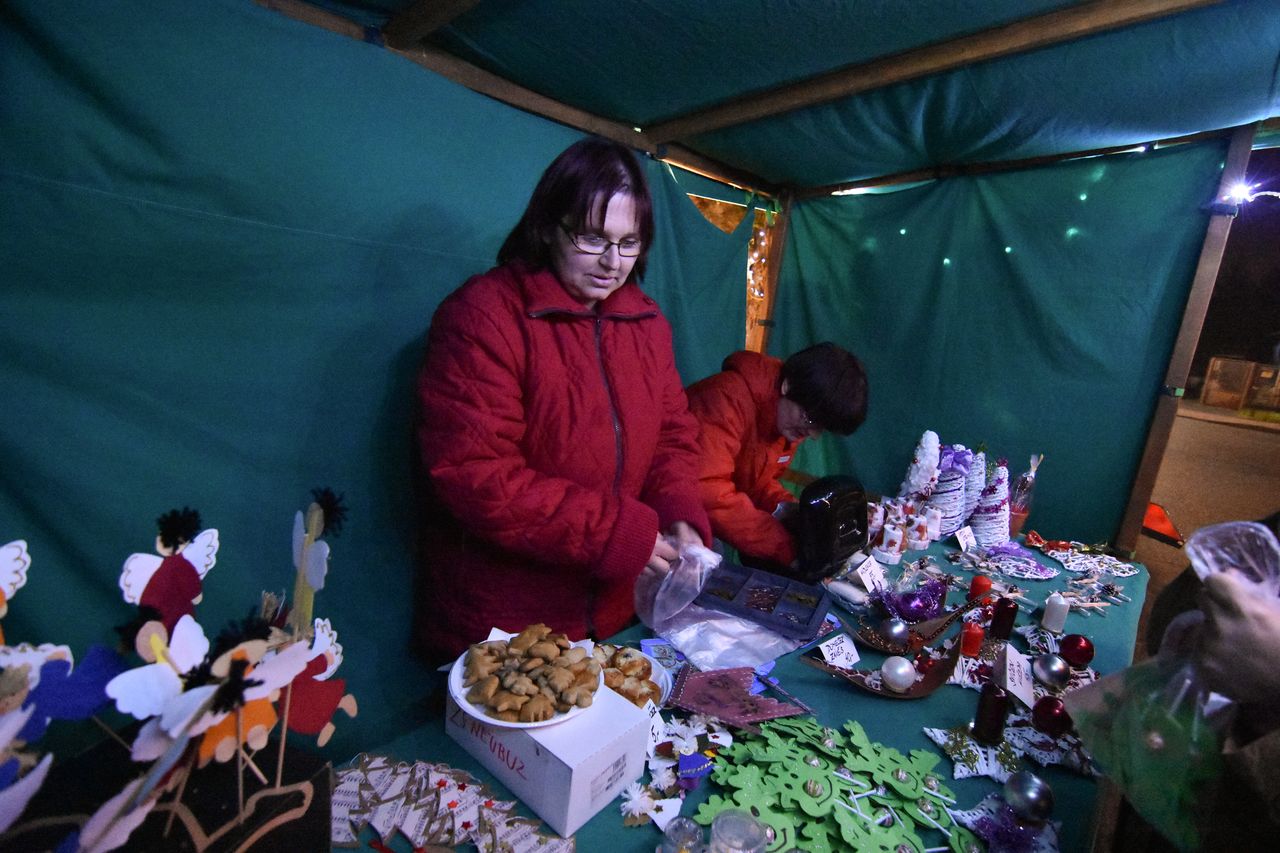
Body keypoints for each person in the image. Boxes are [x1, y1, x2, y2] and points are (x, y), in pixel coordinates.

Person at [414, 137, 710, 663]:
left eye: (630, 242)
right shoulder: (484, 316)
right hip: (506, 628)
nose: (612, 262)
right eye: (593, 238)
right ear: (550, 226)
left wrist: (679, 511)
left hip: (612, 615)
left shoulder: (647, 323)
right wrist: (616, 533)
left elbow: (672, 437)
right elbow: (476, 474)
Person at [685, 344, 867, 571]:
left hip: (696, 515)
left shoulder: (785, 421)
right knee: (703, 564)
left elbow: (756, 485)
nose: (812, 434)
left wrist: (793, 513)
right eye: (810, 419)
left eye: (821, 427)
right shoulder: (725, 399)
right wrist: (785, 548)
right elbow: (709, 492)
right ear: (787, 385)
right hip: (663, 514)